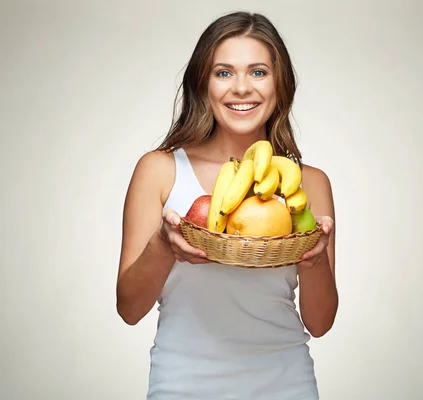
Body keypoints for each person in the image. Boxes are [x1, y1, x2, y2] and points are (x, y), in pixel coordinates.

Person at [116, 11, 339, 400]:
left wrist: (314, 260)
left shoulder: (308, 183)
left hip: (286, 385)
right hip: (182, 385)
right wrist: (163, 245)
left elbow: (320, 323)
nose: (241, 88)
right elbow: (129, 309)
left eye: (257, 72)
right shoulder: (160, 170)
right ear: (203, 83)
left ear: (279, 84)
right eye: (223, 73)